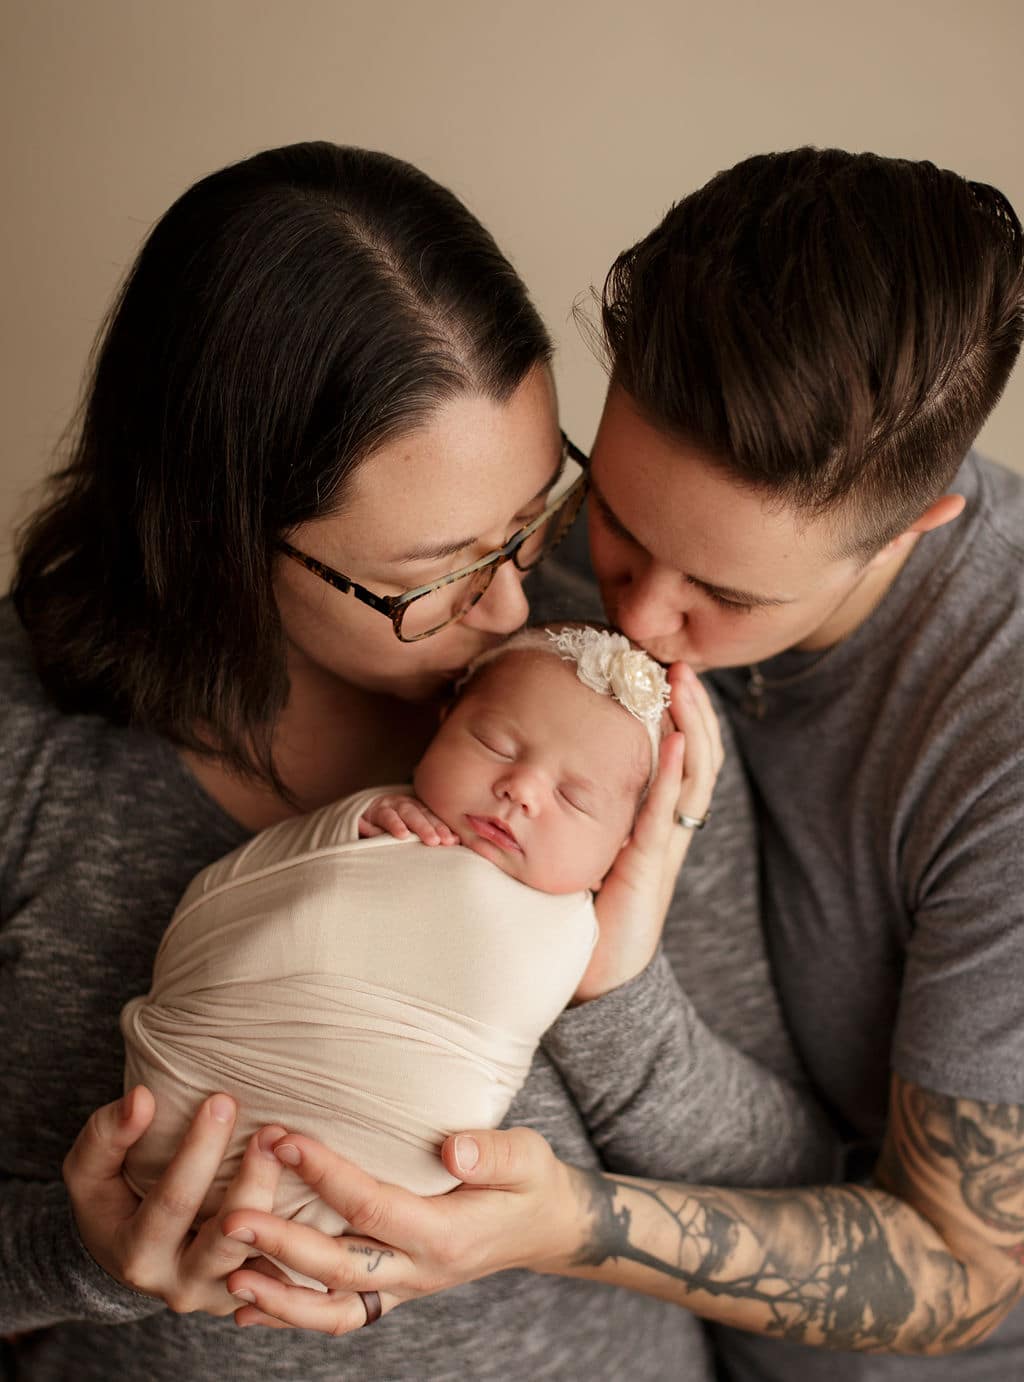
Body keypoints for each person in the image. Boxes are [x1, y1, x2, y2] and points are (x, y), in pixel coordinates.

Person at [2, 141, 833, 1381]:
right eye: (429, 575)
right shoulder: (29, 756)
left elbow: (792, 1194)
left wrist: (616, 986)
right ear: (219, 533)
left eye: (532, 516)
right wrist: (78, 1252)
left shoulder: (598, 712)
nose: (510, 604)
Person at [211, 149, 1024, 1381]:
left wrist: (569, 1224)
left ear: (915, 527)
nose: (636, 620)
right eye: (619, 524)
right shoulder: (525, 560)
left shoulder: (997, 738)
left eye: (726, 595)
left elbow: (960, 1266)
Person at [121, 623, 715, 1253]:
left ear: (618, 847)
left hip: (376, 1209)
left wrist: (635, 906)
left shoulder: (580, 924)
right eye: (494, 743)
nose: (522, 789)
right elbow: (252, 890)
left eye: (574, 798)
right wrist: (348, 827)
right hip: (190, 1103)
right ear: (442, 721)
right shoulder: (391, 822)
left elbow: (706, 1157)